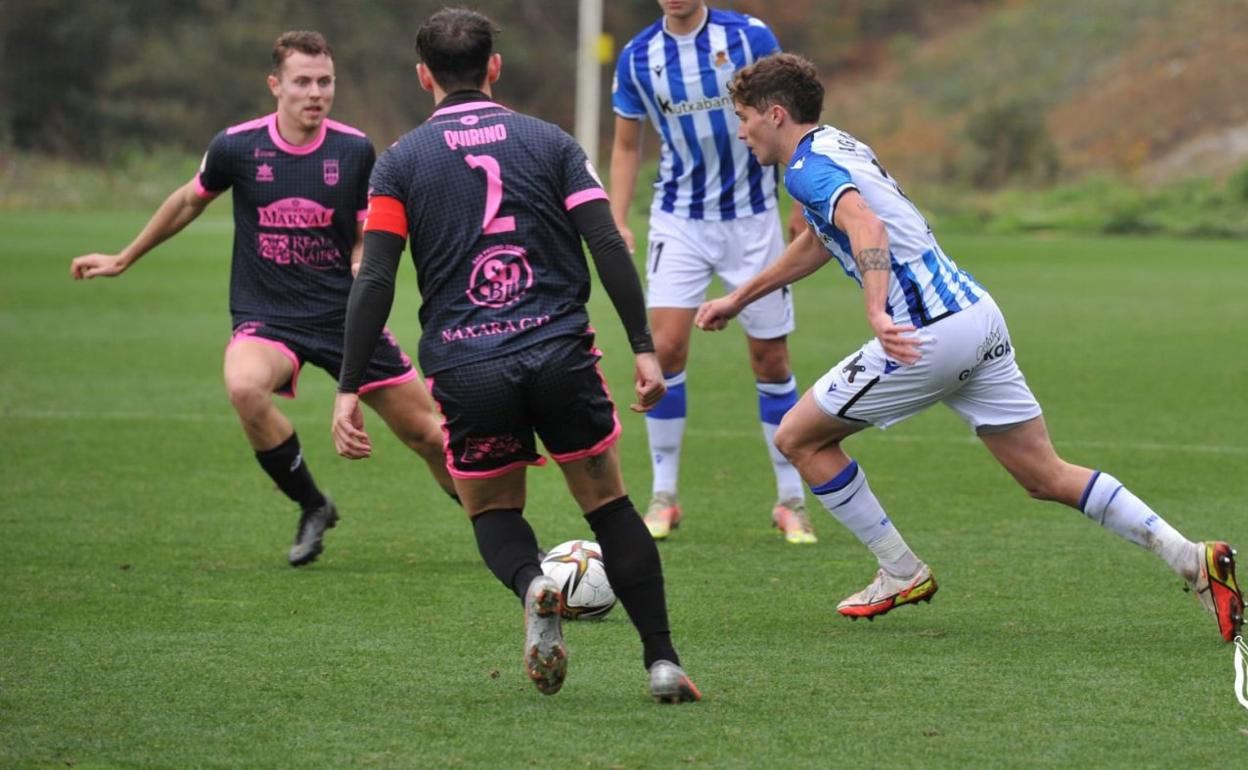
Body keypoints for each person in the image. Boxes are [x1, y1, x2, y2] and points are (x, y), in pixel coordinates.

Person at [696, 52, 1243, 642]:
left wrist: (876, 310)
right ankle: (1192, 559)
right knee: (1045, 475)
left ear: (775, 114)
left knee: (798, 438)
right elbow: (821, 241)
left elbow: (866, 228)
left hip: (926, 333)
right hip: (978, 317)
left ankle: (900, 570)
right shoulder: (838, 145)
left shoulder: (805, 169)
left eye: (744, 117)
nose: (741, 131)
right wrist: (741, 297)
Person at [331, 8, 701, 701]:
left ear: (423, 76)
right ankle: (662, 661)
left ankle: (533, 583)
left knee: (492, 510)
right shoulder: (551, 142)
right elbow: (607, 242)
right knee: (609, 505)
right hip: (558, 353)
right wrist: (644, 348)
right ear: (493, 67)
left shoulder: (400, 162)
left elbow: (374, 277)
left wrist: (350, 386)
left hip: (467, 366)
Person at [70, 30, 457, 568]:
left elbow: (366, 233)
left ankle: (496, 525)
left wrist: (360, 259)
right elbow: (187, 201)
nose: (315, 93)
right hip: (268, 318)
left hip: (343, 318)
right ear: (276, 85)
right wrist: (124, 257)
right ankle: (313, 505)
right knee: (244, 387)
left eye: (325, 82)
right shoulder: (237, 146)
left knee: (429, 437)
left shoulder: (353, 150)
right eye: (302, 82)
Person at [610, 0, 814, 543]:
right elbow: (627, 145)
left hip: (753, 219)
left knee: (770, 358)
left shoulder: (749, 37)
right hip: (678, 220)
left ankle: (790, 499)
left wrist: (801, 197)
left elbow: (793, 119)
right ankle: (664, 496)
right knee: (665, 350)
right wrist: (617, 218)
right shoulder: (637, 56)